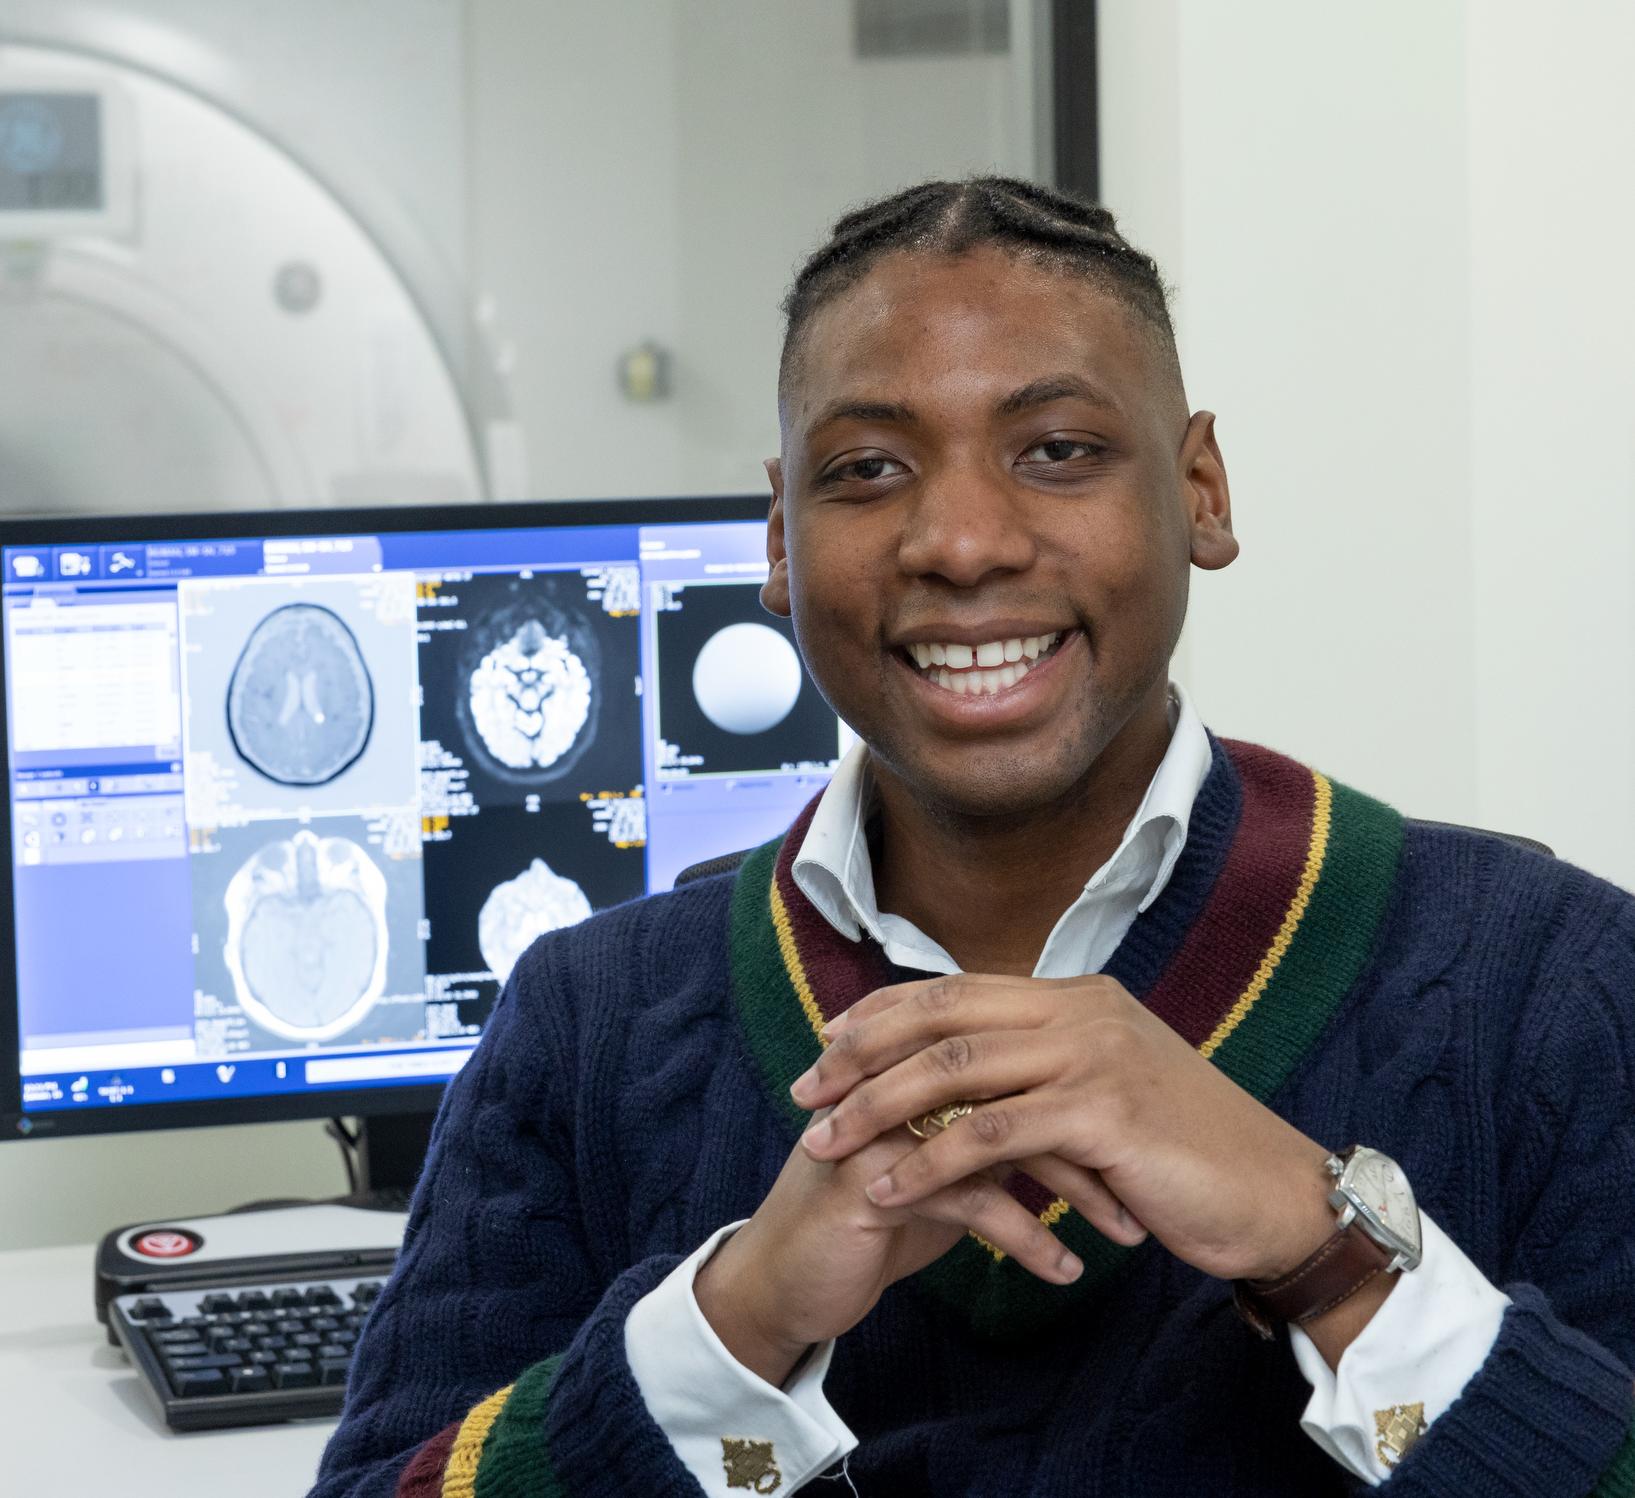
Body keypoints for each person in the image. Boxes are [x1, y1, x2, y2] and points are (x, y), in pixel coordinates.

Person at [309, 178, 1635, 1497]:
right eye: (867, 469)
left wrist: (1323, 1242)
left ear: (1202, 492)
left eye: (1056, 449)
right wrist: (734, 1324)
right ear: (780, 540)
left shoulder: (1549, 980)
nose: (960, 541)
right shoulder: (585, 1024)